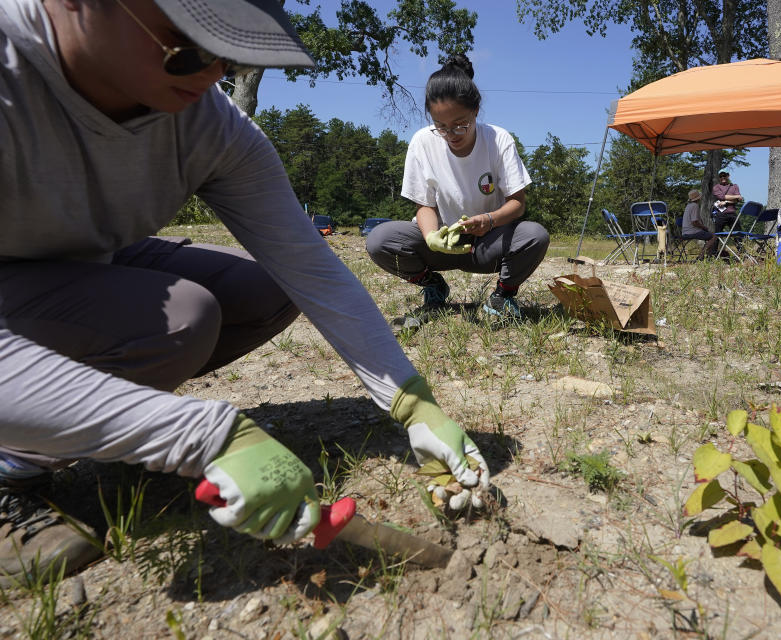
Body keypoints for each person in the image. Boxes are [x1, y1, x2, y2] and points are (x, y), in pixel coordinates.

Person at [0, 0, 489, 586]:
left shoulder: (208, 124)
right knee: (182, 319)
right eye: (188, 41)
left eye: (232, 51)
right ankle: (13, 470)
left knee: (263, 287)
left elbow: (309, 266)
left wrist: (410, 401)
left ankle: (85, 420)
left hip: (77, 265)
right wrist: (192, 433)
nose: (213, 73)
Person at [365, 55, 550, 320]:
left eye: (461, 124)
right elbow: (424, 205)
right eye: (441, 127)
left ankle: (502, 296)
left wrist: (489, 219)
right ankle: (433, 285)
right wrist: (431, 238)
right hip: (442, 244)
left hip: (488, 243)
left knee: (534, 236)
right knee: (380, 240)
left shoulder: (498, 140)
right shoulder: (421, 142)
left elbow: (518, 202)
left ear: (476, 111)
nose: (452, 134)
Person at [681, 190, 719, 259]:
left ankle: (709, 256)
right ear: (698, 198)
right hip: (692, 232)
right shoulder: (695, 206)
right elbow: (694, 222)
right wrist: (704, 227)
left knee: (708, 235)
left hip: (685, 232)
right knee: (714, 237)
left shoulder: (688, 206)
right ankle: (701, 255)